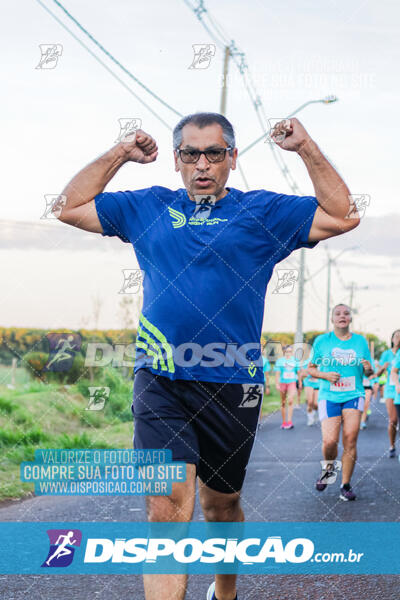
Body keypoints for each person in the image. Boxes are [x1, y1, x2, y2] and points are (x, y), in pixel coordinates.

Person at [58, 112, 359, 600]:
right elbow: (69, 206)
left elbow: (344, 214)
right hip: (161, 380)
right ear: (176, 160)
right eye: (191, 153)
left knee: (222, 506)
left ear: (232, 159)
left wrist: (306, 148)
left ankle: (225, 593)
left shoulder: (262, 212)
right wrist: (120, 153)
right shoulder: (149, 207)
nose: (202, 163)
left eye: (214, 153)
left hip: (234, 387)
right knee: (166, 511)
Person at [308, 304, 373, 501]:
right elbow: (311, 369)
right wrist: (325, 375)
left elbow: (369, 373)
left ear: (350, 319)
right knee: (329, 441)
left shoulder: (361, 342)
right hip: (329, 396)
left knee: (350, 439)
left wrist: (369, 368)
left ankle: (345, 484)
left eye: (346, 313)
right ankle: (329, 469)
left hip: (354, 394)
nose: (342, 316)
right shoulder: (322, 341)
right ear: (332, 319)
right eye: (338, 313)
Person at [375, 331, 400, 457]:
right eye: (396, 336)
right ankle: (392, 445)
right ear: (392, 339)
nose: (398, 338)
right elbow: (377, 374)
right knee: (393, 420)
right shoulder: (386, 354)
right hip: (391, 389)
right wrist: (383, 367)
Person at [274, 345, 301, 429]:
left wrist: (300, 382)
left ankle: (289, 421)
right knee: (283, 402)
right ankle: (284, 422)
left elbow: (299, 372)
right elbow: (277, 374)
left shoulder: (295, 361)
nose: (288, 353)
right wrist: (277, 384)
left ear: (292, 352)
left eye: (290, 351)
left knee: (290, 400)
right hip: (283, 383)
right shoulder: (280, 361)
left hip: (292, 382)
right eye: (286, 351)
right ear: (284, 352)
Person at [300, 357, 319, 426]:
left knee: (316, 404)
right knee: (310, 402)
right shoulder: (307, 361)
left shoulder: (322, 361)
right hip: (309, 383)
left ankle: (313, 412)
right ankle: (310, 418)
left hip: (318, 384)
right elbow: (302, 374)